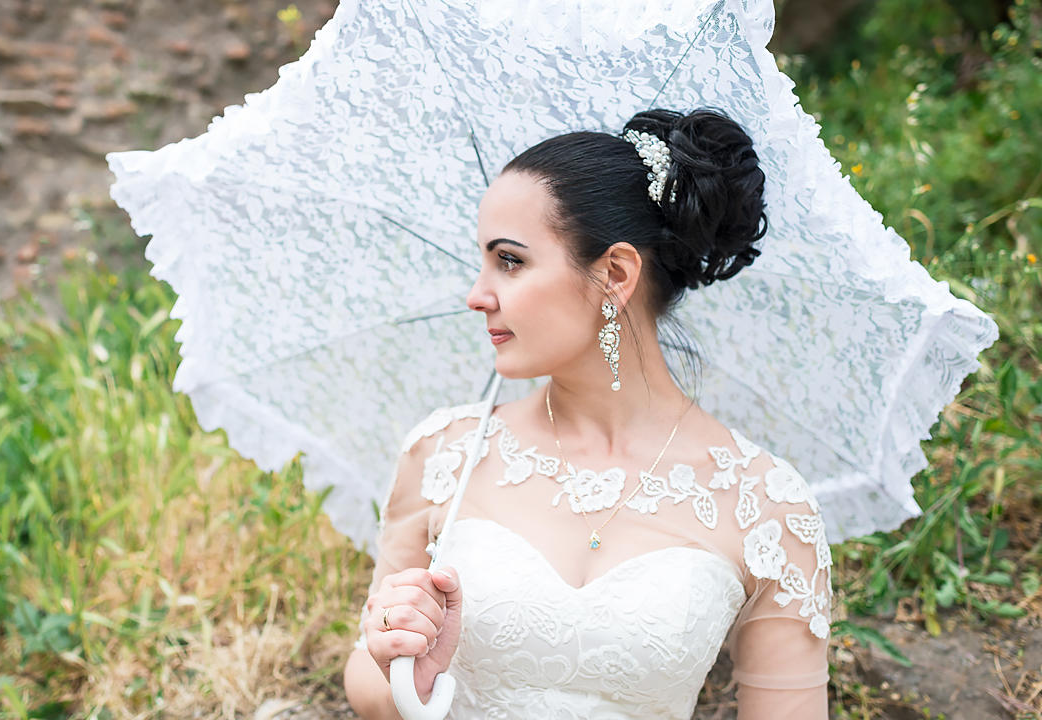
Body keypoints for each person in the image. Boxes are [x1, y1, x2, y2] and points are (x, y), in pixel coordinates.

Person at [342, 108, 833, 719]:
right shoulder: (446, 453)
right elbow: (368, 689)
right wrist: (396, 660)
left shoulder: (767, 507)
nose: (477, 294)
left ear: (616, 274)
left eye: (510, 261)